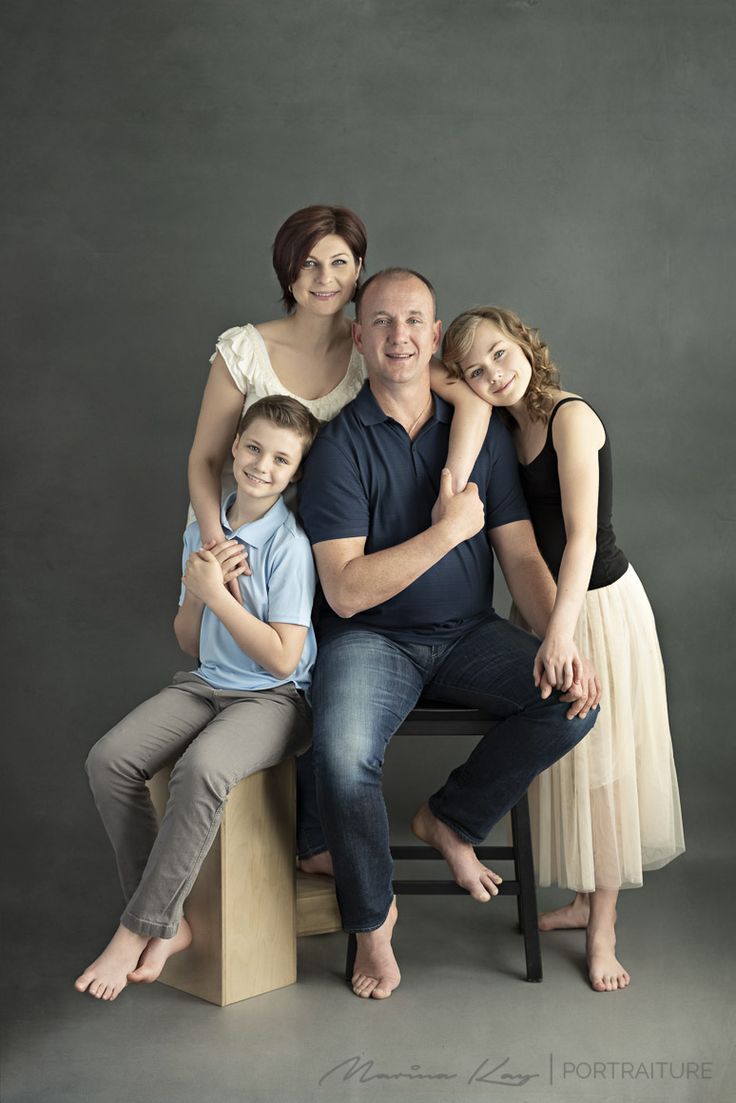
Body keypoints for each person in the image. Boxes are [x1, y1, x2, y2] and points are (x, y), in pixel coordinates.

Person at [297, 269, 601, 1001]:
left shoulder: (480, 433)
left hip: (468, 634)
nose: (398, 336)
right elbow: (343, 587)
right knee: (341, 755)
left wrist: (559, 639)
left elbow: (522, 554)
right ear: (359, 336)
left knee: (572, 701)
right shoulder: (339, 447)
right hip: (368, 641)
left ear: (435, 338)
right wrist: (446, 531)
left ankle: (450, 816)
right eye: (381, 322)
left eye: (413, 322)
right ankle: (373, 922)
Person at [187, 204, 493, 873]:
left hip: (337, 551)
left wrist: (454, 492)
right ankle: (302, 847)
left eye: (340, 263)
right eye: (308, 262)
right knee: (291, 671)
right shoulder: (245, 347)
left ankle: (320, 845)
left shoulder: (374, 343)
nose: (324, 277)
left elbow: (472, 400)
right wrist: (216, 544)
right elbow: (206, 460)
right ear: (287, 271)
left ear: (358, 272)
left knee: (336, 645)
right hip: (256, 546)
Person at [441, 306, 685, 993]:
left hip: (596, 605)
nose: (494, 372)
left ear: (523, 340)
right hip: (545, 607)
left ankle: (603, 928)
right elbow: (439, 378)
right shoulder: (505, 421)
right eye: (475, 370)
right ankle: (581, 898)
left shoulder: (571, 417)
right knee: (564, 761)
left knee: (603, 768)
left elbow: (580, 537)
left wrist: (559, 632)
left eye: (499, 353)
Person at [75, 396, 320, 1001]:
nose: (263, 465)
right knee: (109, 759)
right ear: (234, 447)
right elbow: (189, 640)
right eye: (255, 448)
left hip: (275, 699)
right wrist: (199, 592)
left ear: (294, 474)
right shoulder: (201, 528)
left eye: (281, 459)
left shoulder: (290, 546)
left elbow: (284, 658)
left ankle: (134, 932)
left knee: (204, 768)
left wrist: (221, 596)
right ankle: (166, 918)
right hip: (207, 684)